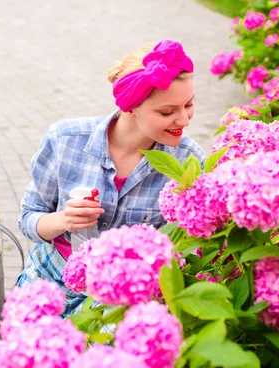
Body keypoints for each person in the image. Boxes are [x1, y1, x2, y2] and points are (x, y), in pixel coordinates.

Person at [16, 39, 206, 315]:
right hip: (50, 282)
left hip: (121, 306)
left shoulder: (187, 161)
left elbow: (191, 244)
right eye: (167, 111)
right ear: (130, 107)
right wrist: (63, 220)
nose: (185, 120)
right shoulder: (65, 141)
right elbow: (28, 218)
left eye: (188, 105)